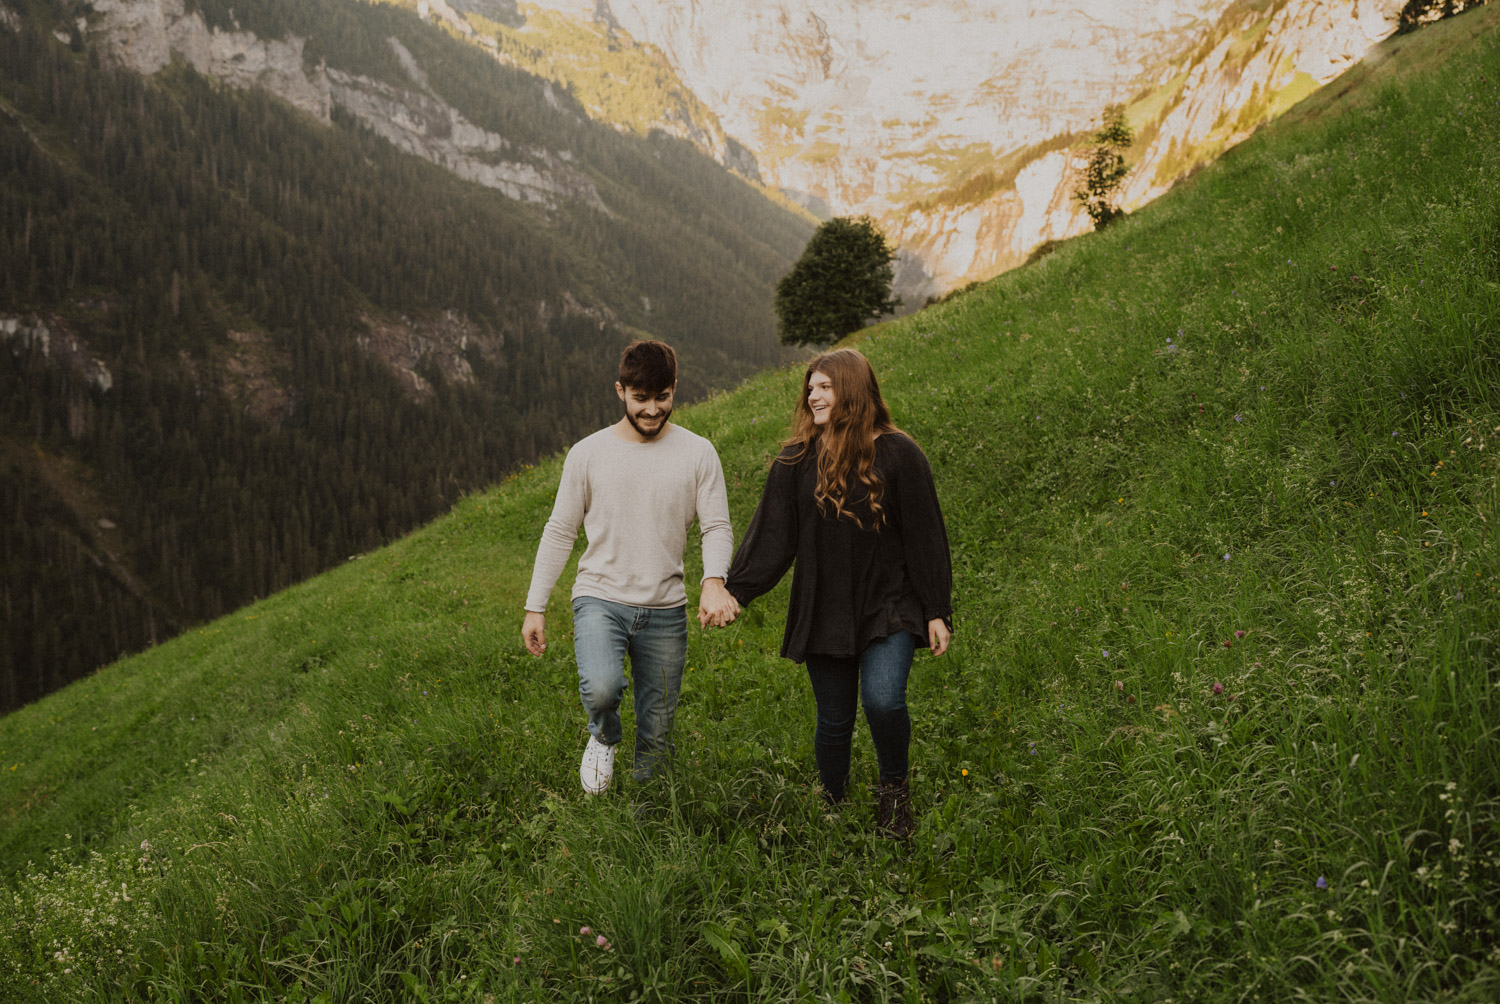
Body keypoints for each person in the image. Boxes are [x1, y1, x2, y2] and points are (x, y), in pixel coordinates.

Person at [725, 348, 951, 838]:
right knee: (833, 720)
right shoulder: (796, 460)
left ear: (851, 388)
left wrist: (936, 610)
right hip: (824, 606)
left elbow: (926, 536)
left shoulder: (899, 453)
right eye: (811, 387)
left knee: (884, 700)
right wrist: (735, 592)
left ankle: (894, 794)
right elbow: (772, 538)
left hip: (888, 605)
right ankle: (833, 806)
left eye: (825, 386)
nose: (813, 394)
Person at [522, 340, 740, 794]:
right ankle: (603, 735)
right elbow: (560, 530)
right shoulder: (587, 453)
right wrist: (535, 605)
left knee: (658, 735)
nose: (653, 409)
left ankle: (645, 814)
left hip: (666, 608)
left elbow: (717, 526)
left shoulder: (699, 454)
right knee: (601, 689)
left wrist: (714, 580)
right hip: (600, 598)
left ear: (674, 390)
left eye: (662, 397)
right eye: (641, 398)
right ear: (620, 391)